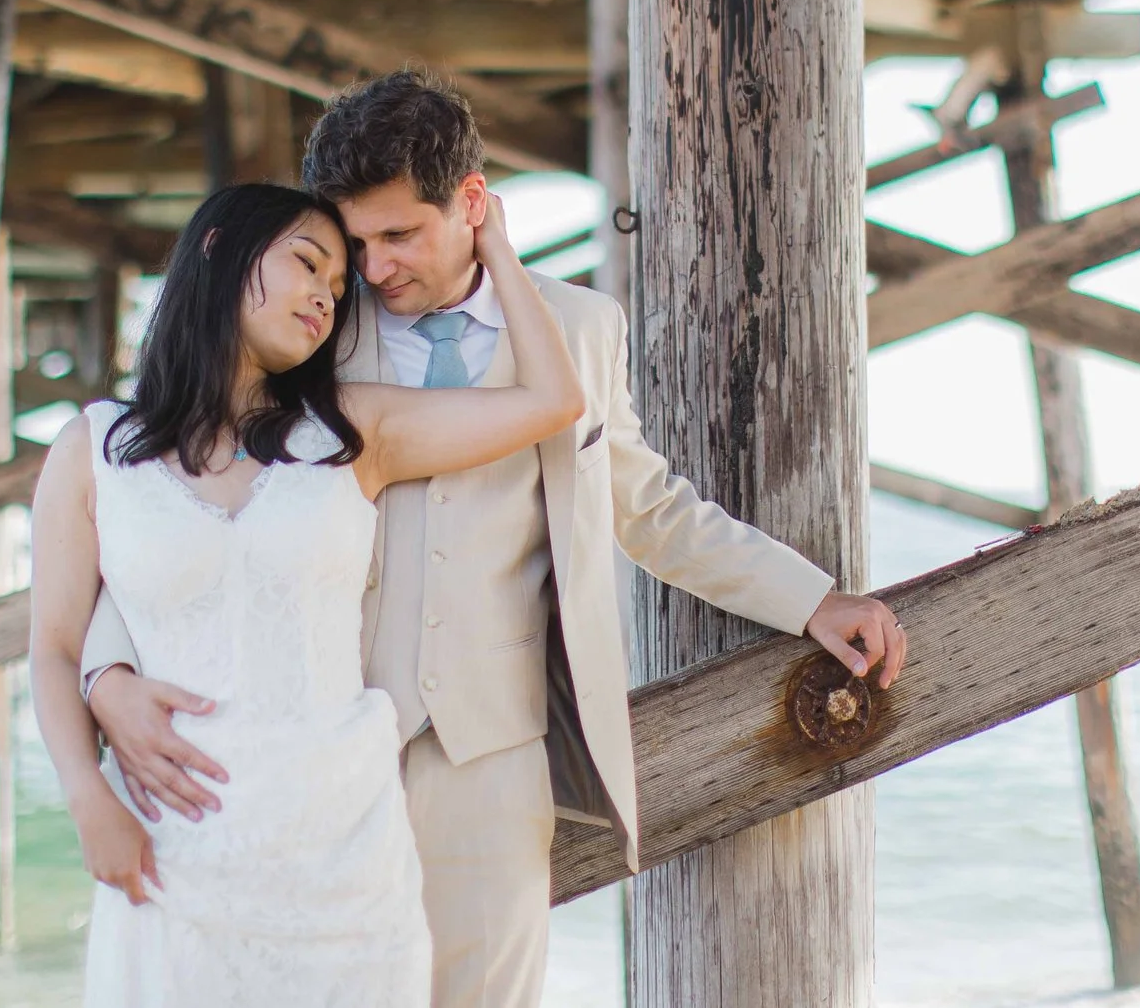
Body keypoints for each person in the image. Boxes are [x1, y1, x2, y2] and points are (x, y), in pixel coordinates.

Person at [81, 70, 908, 1008]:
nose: (373, 267)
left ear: (471, 202)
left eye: (400, 235)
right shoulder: (313, 328)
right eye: (357, 241)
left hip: (492, 753)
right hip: (319, 745)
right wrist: (105, 675)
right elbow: (169, 512)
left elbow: (650, 507)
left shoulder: (579, 329)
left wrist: (812, 598)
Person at [28, 179, 587, 1007]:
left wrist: (494, 245)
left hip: (342, 859)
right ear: (218, 246)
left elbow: (553, 400)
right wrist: (86, 795)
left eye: (336, 288)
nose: (328, 296)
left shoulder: (353, 428)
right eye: (307, 263)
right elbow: (54, 646)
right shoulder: (93, 447)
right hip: (172, 852)